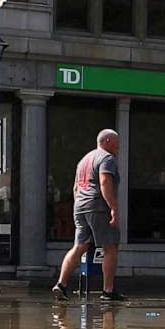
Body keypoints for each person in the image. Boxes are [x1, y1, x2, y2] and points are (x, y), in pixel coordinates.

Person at [52, 128, 124, 302]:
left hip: (81, 206)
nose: (119, 147)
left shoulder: (84, 160)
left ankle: (61, 284)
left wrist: (79, 205)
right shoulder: (107, 158)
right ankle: (108, 291)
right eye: (117, 143)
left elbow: (76, 187)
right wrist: (113, 207)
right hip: (98, 206)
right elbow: (105, 182)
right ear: (107, 141)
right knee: (110, 246)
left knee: (80, 246)